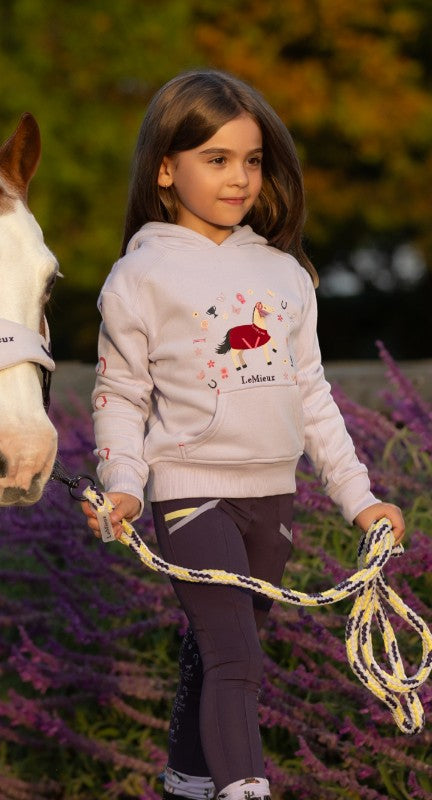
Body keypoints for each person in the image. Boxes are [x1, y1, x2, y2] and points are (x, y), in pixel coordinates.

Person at [80, 69, 405, 800]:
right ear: (167, 169)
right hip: (192, 500)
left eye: (252, 161)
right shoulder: (139, 277)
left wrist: (361, 499)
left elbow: (313, 396)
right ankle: (244, 788)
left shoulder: (285, 273)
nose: (240, 178)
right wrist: (124, 487)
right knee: (236, 659)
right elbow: (121, 395)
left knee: (220, 650)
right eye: (217, 160)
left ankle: (189, 783)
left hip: (272, 500)